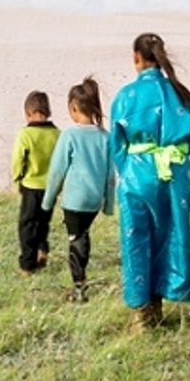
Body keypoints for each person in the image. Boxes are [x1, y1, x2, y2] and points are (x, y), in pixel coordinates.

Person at [110, 33, 190, 326]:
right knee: (169, 235)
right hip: (173, 175)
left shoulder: (126, 96)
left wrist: (130, 169)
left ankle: (142, 312)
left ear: (137, 58)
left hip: (137, 174)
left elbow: (116, 142)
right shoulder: (180, 93)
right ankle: (159, 303)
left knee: (136, 238)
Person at [41, 77, 115, 301]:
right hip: (93, 201)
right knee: (83, 235)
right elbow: (111, 175)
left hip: (74, 200)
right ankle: (81, 280)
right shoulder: (106, 137)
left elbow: (57, 171)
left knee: (75, 238)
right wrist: (109, 204)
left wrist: (48, 200)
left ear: (73, 108)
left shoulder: (70, 135)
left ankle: (79, 286)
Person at [10, 89, 60, 274]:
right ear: (48, 112)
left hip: (31, 186)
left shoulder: (26, 135)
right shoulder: (57, 134)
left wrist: (17, 177)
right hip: (51, 186)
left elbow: (17, 159)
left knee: (27, 224)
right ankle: (42, 249)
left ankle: (27, 264)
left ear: (28, 114)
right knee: (43, 221)